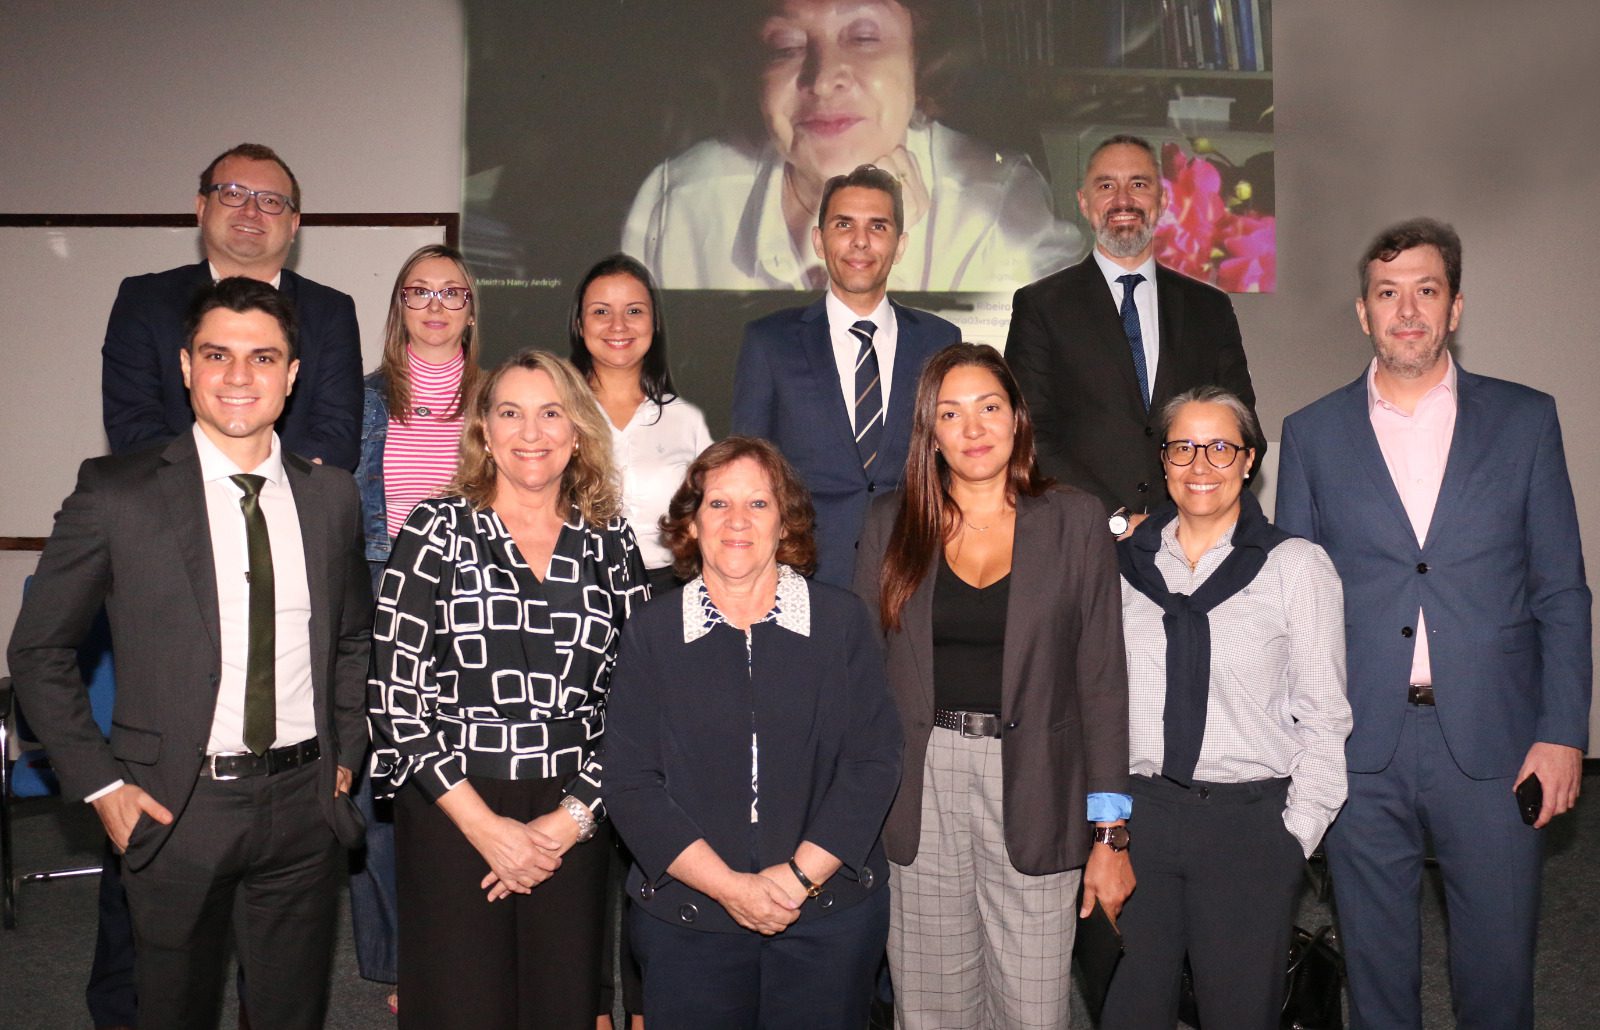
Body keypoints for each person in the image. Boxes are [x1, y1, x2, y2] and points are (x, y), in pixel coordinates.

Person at [9, 277, 372, 1029]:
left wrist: (345, 751)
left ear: (292, 375)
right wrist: (102, 786)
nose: (240, 376)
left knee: (290, 1014)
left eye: (263, 357)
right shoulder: (118, 494)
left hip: (306, 804)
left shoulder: (331, 495)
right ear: (184, 366)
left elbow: (350, 638)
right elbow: (40, 649)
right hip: (176, 807)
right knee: (171, 1011)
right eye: (218, 354)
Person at [1276, 218, 1591, 1030]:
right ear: (1362, 312)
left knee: (1498, 974)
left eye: (1426, 291)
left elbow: (1562, 590)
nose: (1406, 310)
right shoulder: (1311, 434)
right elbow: (1297, 607)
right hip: (1361, 747)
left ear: (1455, 308)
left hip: (1497, 744)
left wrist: (1562, 732)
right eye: (1388, 293)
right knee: (1377, 978)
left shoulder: (1526, 421)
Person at [852, 342, 1133, 1028]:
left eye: (989, 408)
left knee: (1033, 1007)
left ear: (1017, 419)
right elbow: (860, 674)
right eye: (951, 413)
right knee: (931, 1005)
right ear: (931, 431)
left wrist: (1111, 834)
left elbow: (1101, 682)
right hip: (922, 786)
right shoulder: (892, 524)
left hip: (1039, 783)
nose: (973, 429)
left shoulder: (1075, 521)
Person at [367, 350, 649, 1030]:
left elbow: (642, 705)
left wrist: (568, 822)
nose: (532, 431)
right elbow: (395, 697)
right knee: (462, 1008)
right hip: (451, 810)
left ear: (578, 430)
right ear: (484, 434)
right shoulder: (435, 531)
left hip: (572, 817)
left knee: (562, 1007)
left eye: (551, 412)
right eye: (511, 413)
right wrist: (485, 829)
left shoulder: (611, 542)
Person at [604, 436, 903, 1029]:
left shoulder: (841, 621)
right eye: (718, 504)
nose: (737, 521)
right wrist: (730, 888)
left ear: (785, 522)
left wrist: (795, 880)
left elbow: (874, 762)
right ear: (690, 524)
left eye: (759, 504)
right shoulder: (652, 632)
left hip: (827, 917)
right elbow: (631, 784)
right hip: (689, 921)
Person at [1104, 386, 1350, 1029]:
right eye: (1183, 447)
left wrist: (1294, 839)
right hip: (1138, 823)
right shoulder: (1122, 564)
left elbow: (1324, 712)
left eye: (1220, 447)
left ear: (1249, 461)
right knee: (1130, 1011)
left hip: (1248, 827)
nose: (1200, 464)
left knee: (1240, 1015)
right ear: (1163, 461)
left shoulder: (1296, 565)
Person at [623, 0, 1079, 292]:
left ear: (920, 61)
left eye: (862, 38)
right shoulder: (680, 204)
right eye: (786, 46)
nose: (823, 80)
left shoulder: (998, 211)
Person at [350, 244, 484, 1009]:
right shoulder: (362, 400)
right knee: (381, 800)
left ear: (471, 308)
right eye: (418, 292)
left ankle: (465, 941)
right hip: (380, 608)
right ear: (399, 306)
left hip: (474, 611)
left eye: (451, 292)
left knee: (470, 789)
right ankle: (400, 962)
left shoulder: (503, 397)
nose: (435, 305)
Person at [1005, 134, 1261, 525]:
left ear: (1162, 202)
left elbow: (1242, 428)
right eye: (1106, 186)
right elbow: (1030, 434)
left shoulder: (1210, 309)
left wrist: (1185, 519)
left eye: (1138, 185)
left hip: (1192, 541)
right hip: (1081, 538)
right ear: (1083, 203)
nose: (1123, 200)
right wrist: (1116, 519)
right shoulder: (1041, 306)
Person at [733, 164, 959, 588]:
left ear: (900, 244)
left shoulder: (940, 340)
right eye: (843, 224)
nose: (860, 241)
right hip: (802, 576)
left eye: (878, 226)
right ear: (819, 240)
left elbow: (951, 462)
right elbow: (747, 470)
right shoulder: (769, 342)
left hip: (913, 573)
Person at [102, 142, 362, 469]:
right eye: (233, 194)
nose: (251, 211)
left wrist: (266, 489)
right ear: (201, 207)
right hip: (169, 507)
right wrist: (220, 488)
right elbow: (133, 425)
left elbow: (337, 435)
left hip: (292, 508)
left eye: (270, 201)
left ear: (294, 224)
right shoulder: (144, 300)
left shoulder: (330, 311)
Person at [568, 253, 713, 595]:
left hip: (672, 592)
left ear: (654, 323)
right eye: (601, 311)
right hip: (573, 592)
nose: (618, 325)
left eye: (634, 311)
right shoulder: (555, 414)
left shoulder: (687, 420)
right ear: (579, 324)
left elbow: (713, 514)